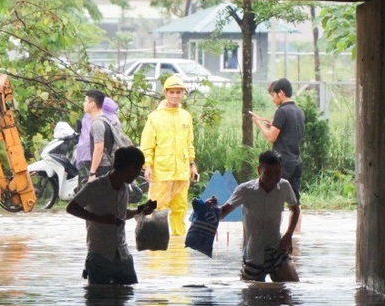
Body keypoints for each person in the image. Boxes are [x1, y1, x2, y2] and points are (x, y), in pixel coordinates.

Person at [210, 150, 299, 282]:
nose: (273, 178)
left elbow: (295, 210)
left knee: (292, 288)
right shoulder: (245, 190)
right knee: (252, 297)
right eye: (268, 173)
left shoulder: (284, 187)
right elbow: (222, 213)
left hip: (277, 249)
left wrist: (288, 234)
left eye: (277, 172)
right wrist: (210, 208)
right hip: (253, 254)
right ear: (259, 170)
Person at [67, 146, 151, 285]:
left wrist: (140, 210)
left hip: (123, 255)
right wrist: (99, 219)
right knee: (99, 303)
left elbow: (122, 215)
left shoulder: (124, 188)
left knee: (126, 299)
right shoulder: (96, 187)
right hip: (100, 256)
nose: (138, 174)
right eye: (137, 169)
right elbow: (71, 208)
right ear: (128, 168)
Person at [140, 74, 198, 237]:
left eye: (178, 92)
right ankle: (155, 240)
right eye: (172, 92)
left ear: (183, 94)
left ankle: (178, 244)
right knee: (157, 207)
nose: (175, 96)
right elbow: (147, 146)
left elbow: (189, 143)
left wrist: (192, 164)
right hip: (161, 172)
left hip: (181, 172)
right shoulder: (155, 117)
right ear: (165, 93)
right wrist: (148, 166)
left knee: (180, 208)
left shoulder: (186, 116)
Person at [250, 78, 306, 201]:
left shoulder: (282, 111)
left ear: (281, 93)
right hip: (296, 161)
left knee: (272, 196)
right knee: (295, 200)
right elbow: (290, 130)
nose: (272, 98)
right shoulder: (299, 111)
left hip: (283, 161)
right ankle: (296, 221)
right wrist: (274, 125)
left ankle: (271, 220)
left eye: (273, 95)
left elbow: (271, 138)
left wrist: (258, 123)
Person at [75, 96, 121, 181]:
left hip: (90, 159)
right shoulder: (114, 118)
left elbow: (97, 148)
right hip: (109, 161)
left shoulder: (92, 118)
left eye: (86, 101)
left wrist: (92, 172)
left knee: (85, 190)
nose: (84, 104)